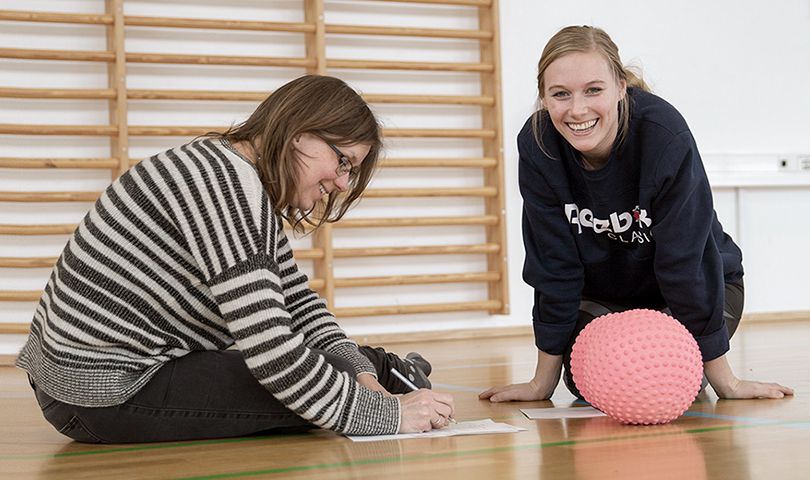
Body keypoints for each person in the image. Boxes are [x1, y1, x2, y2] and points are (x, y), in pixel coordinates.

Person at [16, 75, 455, 443]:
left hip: (82, 381)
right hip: (102, 394)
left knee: (335, 369)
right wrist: (388, 416)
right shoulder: (230, 190)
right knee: (317, 388)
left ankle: (386, 371)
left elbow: (296, 302)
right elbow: (273, 353)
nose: (342, 183)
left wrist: (359, 373)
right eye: (343, 162)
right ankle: (397, 377)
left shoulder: (227, 170)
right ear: (300, 132)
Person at [480, 26, 793, 404]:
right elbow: (553, 265)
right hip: (604, 299)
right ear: (544, 98)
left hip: (697, 287)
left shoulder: (663, 135)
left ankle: (691, 368)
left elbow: (685, 262)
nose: (577, 110)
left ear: (621, 87)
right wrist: (540, 385)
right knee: (595, 382)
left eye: (593, 90)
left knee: (663, 377)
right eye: (560, 94)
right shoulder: (538, 146)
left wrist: (727, 382)